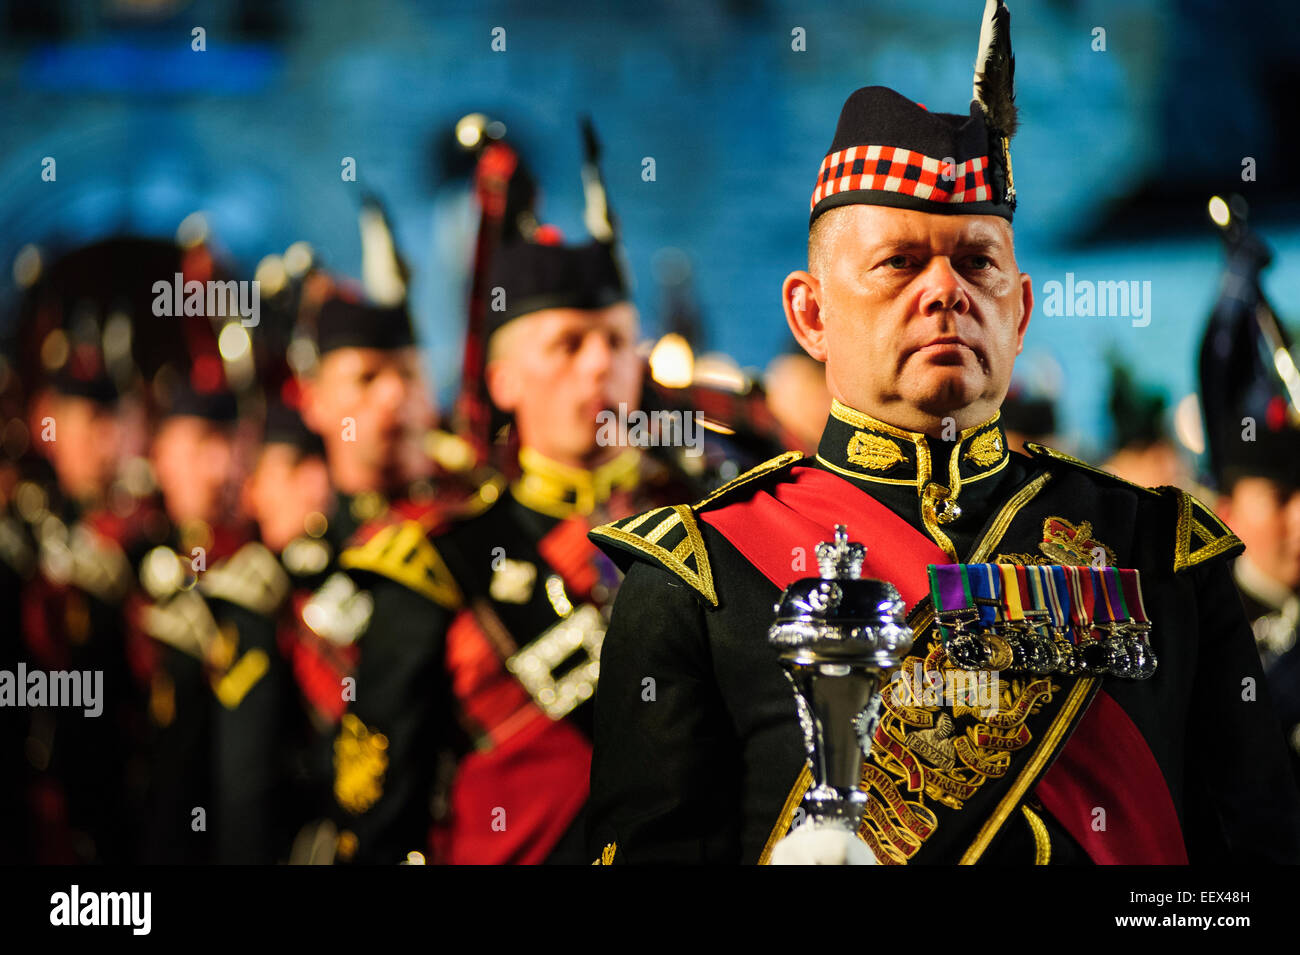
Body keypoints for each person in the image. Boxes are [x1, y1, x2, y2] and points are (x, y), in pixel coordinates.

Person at [586, 0, 1300, 865]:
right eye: (898, 262)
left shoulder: (1163, 552)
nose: (945, 292)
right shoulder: (700, 581)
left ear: (1021, 307)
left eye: (977, 262)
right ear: (810, 315)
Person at [330, 127, 705, 864]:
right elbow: (382, 813)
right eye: (568, 344)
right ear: (504, 381)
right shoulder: (434, 558)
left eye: (615, 340)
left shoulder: (703, 522)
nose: (601, 365)